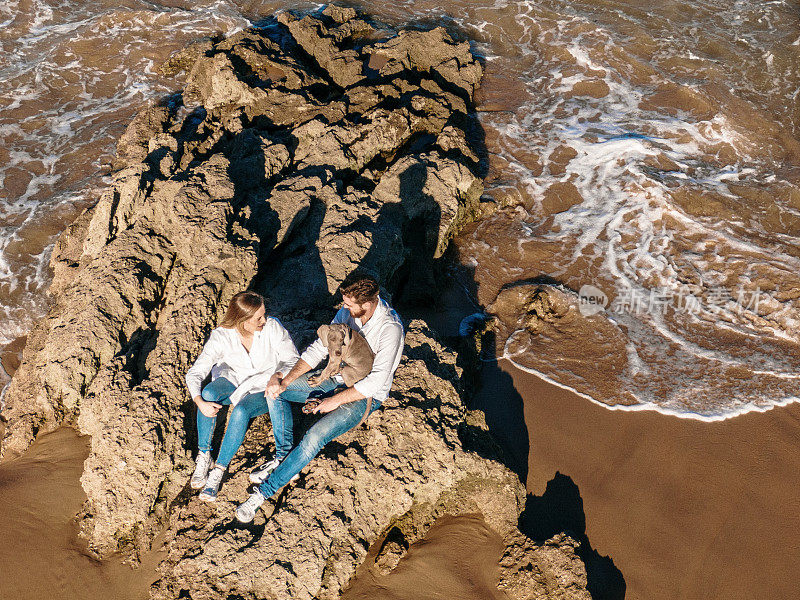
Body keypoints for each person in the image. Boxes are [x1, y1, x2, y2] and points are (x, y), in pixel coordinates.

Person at [235, 272, 405, 522]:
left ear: (366, 305)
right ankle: (284, 458)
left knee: (314, 437)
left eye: (348, 304)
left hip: (364, 396)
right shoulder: (348, 314)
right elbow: (318, 349)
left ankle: (262, 494)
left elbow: (376, 382)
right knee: (274, 392)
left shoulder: (390, 329)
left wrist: (332, 401)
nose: (343, 308)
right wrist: (286, 380)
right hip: (335, 378)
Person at [186, 291, 299, 501]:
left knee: (240, 411)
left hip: (263, 386)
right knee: (209, 392)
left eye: (264, 314)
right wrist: (199, 401)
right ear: (242, 320)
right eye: (258, 318)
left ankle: (218, 470)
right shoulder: (222, 335)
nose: (264, 320)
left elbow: (293, 359)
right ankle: (204, 455)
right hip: (235, 381)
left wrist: (278, 375)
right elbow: (196, 372)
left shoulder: (272, 328)